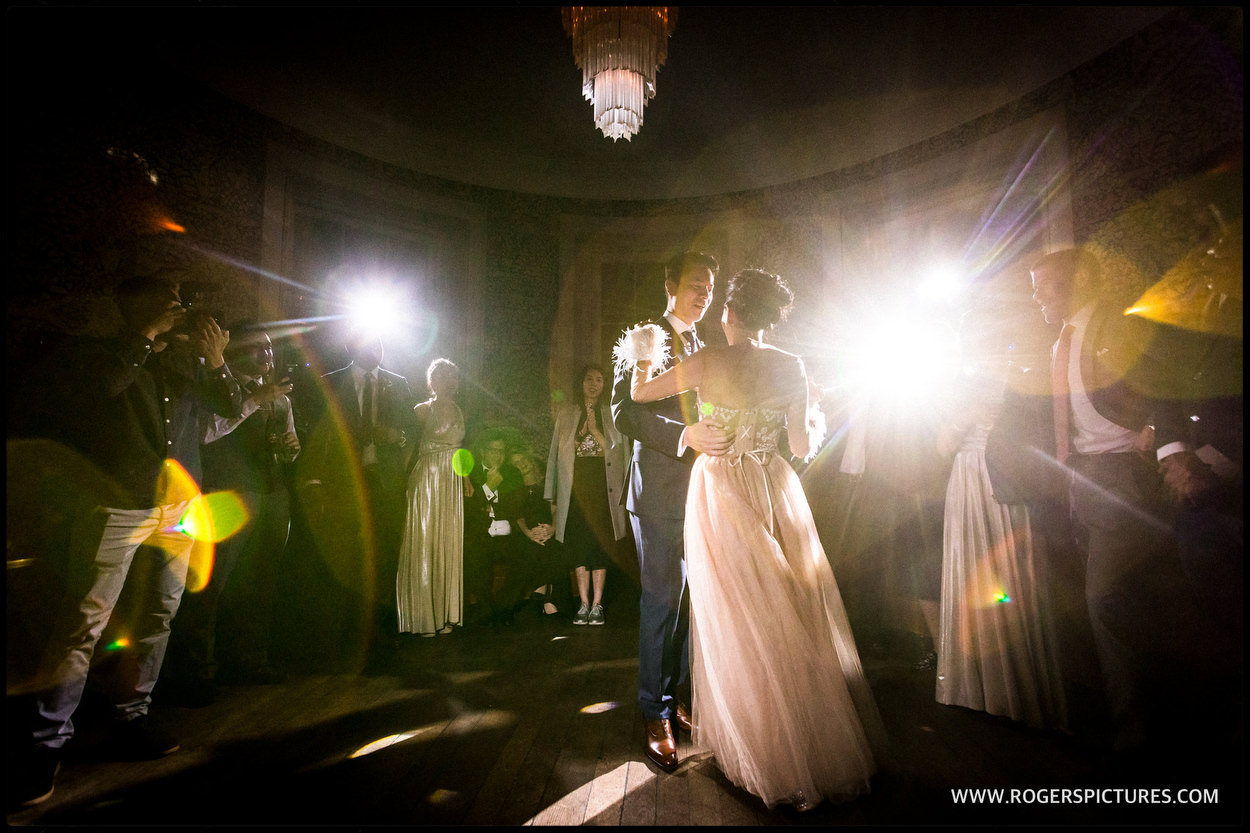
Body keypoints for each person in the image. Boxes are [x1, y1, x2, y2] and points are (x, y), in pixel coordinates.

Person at [620, 267, 885, 810]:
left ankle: (756, 740)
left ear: (730, 314)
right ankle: (790, 734)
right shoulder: (791, 365)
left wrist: (641, 358)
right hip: (772, 487)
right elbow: (801, 444)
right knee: (776, 608)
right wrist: (811, 407)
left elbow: (640, 393)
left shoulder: (709, 360)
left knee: (732, 610)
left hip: (720, 489)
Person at [13, 273, 243, 808]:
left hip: (180, 505)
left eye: (179, 299)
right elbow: (98, 393)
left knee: (160, 615)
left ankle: (130, 720)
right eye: (166, 299)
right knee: (83, 622)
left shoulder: (185, 359)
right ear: (133, 304)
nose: (178, 307)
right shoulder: (98, 354)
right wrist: (141, 336)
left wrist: (216, 358)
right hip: (119, 503)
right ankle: (43, 744)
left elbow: (230, 407)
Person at [1029, 247, 1221, 764]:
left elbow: (1167, 380)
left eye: (1045, 285)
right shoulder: (1060, 340)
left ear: (1075, 283)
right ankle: (1155, 720)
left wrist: (1161, 433)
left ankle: (1137, 738)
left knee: (1105, 602)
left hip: (1125, 477)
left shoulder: (1115, 325)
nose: (1036, 296)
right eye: (1034, 286)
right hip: (1085, 479)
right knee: (1121, 605)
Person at [608, 250, 732, 772]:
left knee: (695, 598)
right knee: (663, 599)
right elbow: (621, 411)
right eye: (695, 285)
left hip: (702, 490)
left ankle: (678, 698)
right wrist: (684, 435)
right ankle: (654, 713)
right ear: (669, 283)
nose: (703, 294)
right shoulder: (645, 335)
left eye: (709, 287)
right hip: (658, 490)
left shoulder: (709, 345)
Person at [934, 304, 1068, 730]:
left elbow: (948, 442)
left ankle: (1005, 687)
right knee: (996, 575)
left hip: (992, 481)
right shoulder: (993, 378)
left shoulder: (998, 380)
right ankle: (1004, 684)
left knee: (995, 574)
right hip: (991, 479)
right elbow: (946, 444)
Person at [165, 330, 299, 706]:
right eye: (258, 346)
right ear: (236, 351)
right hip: (228, 494)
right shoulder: (219, 388)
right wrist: (254, 400)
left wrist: (291, 449)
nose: (267, 353)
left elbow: (289, 445)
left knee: (262, 583)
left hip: (273, 495)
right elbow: (206, 433)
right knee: (213, 584)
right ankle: (197, 673)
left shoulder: (278, 398)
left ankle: (250, 662)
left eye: (270, 346)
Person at [298, 331, 414, 664]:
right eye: (368, 346)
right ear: (351, 348)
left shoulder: (398, 383)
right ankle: (341, 640)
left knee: (385, 557)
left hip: (385, 482)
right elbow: (316, 434)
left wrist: (396, 435)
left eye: (379, 345)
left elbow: (410, 431)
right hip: (343, 483)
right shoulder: (331, 382)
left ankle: (382, 639)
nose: (376, 351)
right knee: (344, 557)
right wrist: (315, 478)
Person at [545, 363, 630, 625]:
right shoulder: (568, 414)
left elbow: (619, 454)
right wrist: (582, 433)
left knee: (599, 546)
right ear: (580, 383)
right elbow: (557, 455)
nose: (593, 384)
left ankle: (597, 604)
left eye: (599, 379)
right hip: (577, 490)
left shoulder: (611, 413)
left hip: (603, 487)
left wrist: (595, 431)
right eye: (588, 379)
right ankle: (582, 603)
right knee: (579, 545)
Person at [396, 358, 467, 636]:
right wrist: (399, 480)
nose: (449, 381)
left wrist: (466, 477)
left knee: (447, 542)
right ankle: (424, 617)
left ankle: (446, 614)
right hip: (427, 479)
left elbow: (460, 449)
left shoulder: (460, 410)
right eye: (442, 376)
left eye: (453, 376)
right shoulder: (421, 410)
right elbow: (408, 447)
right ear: (431, 381)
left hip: (452, 481)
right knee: (425, 541)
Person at [463, 429, 526, 627]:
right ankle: (489, 609)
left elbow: (518, 504)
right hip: (481, 534)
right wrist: (489, 486)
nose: (498, 455)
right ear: (482, 452)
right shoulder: (470, 474)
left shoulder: (512, 473)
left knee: (528, 553)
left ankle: (503, 606)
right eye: (493, 450)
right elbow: (468, 510)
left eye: (501, 451)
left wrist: (488, 505)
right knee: (473, 551)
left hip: (508, 534)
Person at [510, 450, 566, 617]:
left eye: (523, 458)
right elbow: (517, 517)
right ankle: (544, 592)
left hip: (548, 529)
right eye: (516, 463)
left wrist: (552, 529)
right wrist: (529, 533)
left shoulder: (546, 482)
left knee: (552, 546)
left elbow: (555, 509)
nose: (521, 464)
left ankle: (542, 593)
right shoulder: (515, 487)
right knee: (532, 548)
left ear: (530, 458)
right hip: (526, 533)